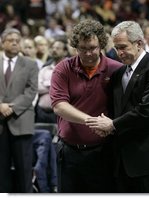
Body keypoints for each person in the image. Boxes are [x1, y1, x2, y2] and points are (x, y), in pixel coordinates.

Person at [86, 21, 149, 193]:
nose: (119, 53)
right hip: (123, 161)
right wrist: (106, 125)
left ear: (139, 43)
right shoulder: (119, 73)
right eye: (117, 48)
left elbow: (147, 111)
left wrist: (112, 125)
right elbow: (116, 109)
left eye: (123, 47)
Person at [49, 19, 122, 193]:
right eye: (83, 49)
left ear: (101, 45)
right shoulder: (63, 69)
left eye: (93, 48)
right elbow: (59, 105)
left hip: (104, 153)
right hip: (69, 153)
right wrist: (92, 121)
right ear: (75, 46)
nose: (88, 53)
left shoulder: (116, 69)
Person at [0, 28, 39, 192]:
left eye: (17, 40)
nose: (15, 42)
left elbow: (31, 91)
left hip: (22, 120)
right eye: (10, 40)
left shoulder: (30, 64)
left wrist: (11, 107)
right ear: (2, 43)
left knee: (24, 169)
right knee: (1, 170)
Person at [36, 39, 69, 123]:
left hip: (63, 113)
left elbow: (66, 87)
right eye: (53, 48)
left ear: (65, 52)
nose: (54, 50)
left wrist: (46, 84)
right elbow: (37, 87)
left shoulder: (70, 68)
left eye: (58, 48)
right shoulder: (45, 68)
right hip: (42, 112)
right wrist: (54, 86)